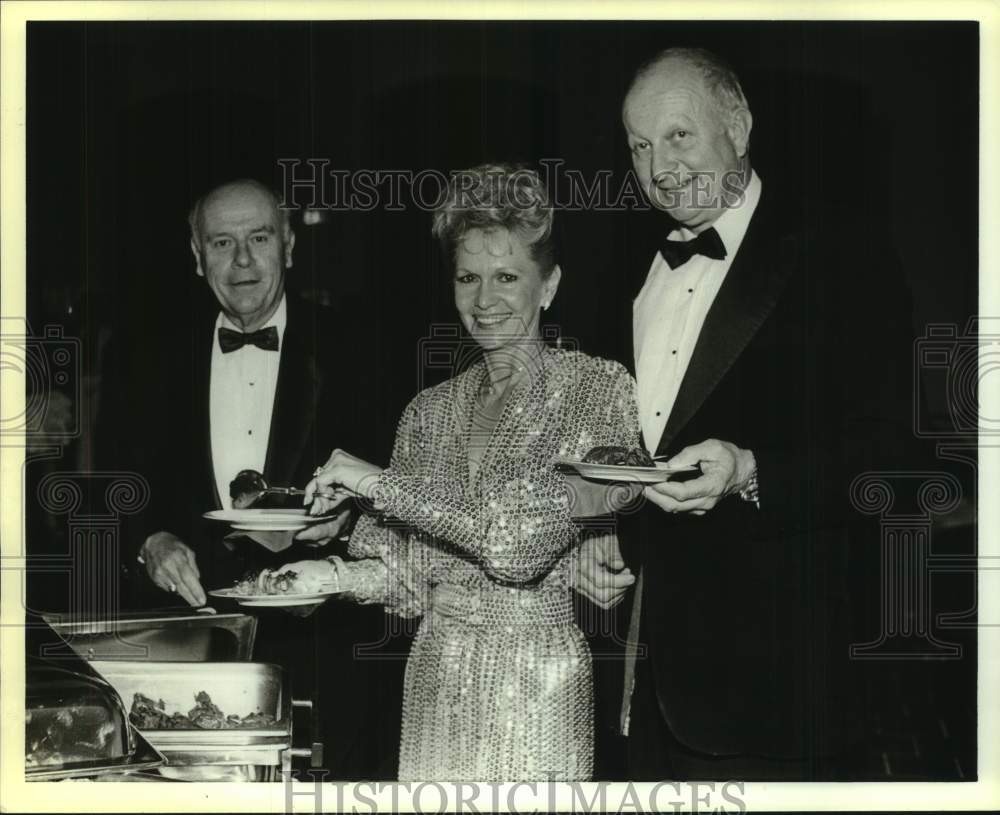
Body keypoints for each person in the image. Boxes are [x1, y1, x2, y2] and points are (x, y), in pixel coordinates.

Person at [575, 47, 916, 780]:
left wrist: (752, 471)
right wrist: (598, 529)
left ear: (739, 123)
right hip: (633, 691)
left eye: (678, 136)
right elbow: (610, 445)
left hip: (774, 692)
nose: (659, 167)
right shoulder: (623, 267)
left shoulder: (841, 252)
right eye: (639, 146)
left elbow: (897, 453)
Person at [275, 164, 642, 781]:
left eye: (507, 277)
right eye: (468, 277)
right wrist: (322, 576)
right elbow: (408, 577)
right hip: (433, 677)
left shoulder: (598, 391)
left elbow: (515, 545)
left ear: (548, 285)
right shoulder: (429, 411)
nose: (483, 300)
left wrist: (374, 482)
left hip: (538, 684)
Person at [96, 178, 396, 778]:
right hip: (191, 646)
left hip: (325, 647)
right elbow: (110, 484)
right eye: (221, 242)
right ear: (195, 253)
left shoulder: (360, 348)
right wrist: (147, 541)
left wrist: (353, 517)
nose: (241, 261)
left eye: (258, 238)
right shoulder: (143, 357)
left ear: (288, 244)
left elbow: (404, 482)